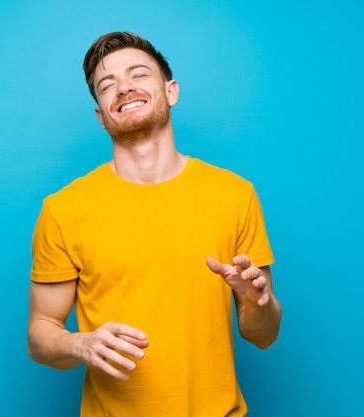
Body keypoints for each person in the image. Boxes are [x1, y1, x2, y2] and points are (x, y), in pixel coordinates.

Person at [27, 31, 282, 416]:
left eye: (138, 75)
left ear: (171, 91)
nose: (124, 88)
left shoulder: (234, 194)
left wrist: (256, 301)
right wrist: (81, 344)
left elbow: (263, 334)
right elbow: (40, 334)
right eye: (107, 85)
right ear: (101, 115)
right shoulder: (63, 209)